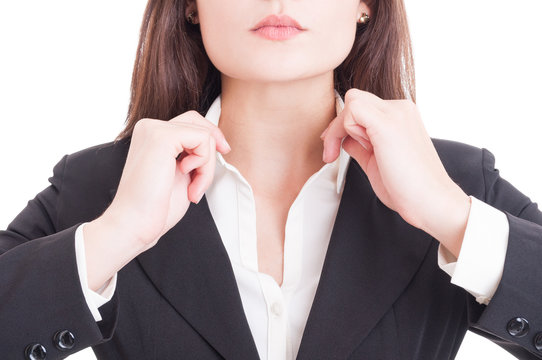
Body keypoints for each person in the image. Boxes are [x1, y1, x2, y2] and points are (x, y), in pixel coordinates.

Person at [1, 0, 541, 359]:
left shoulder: (455, 186)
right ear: (191, 5)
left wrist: (450, 216)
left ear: (365, 5)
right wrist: (117, 234)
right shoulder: (99, 189)